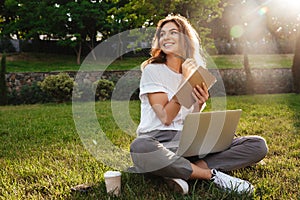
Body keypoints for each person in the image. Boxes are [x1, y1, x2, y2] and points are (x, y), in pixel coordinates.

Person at [129, 15, 268, 195]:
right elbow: (165, 117)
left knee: (257, 145)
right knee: (140, 147)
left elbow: (188, 120)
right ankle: (209, 174)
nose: (166, 37)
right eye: (162, 34)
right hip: (159, 141)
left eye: (173, 32)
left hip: (189, 141)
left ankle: (178, 171)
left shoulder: (194, 72)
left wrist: (198, 105)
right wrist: (185, 82)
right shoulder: (152, 70)